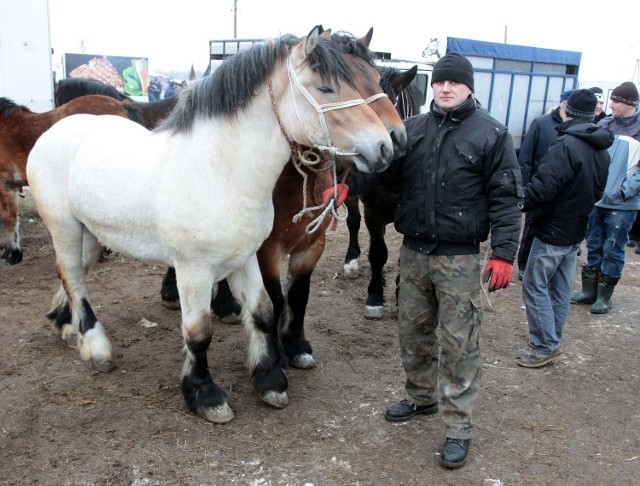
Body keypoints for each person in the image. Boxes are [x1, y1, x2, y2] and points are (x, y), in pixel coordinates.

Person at [338, 52, 522, 469]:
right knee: (413, 331)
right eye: (440, 82)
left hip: (458, 258)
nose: (445, 88)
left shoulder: (491, 134)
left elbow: (506, 200)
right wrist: (350, 185)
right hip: (415, 253)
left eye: (454, 82)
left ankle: (458, 427)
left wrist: (504, 254)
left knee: (460, 345)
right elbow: (383, 171)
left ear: (468, 86)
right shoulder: (413, 129)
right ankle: (420, 398)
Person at [516, 90, 612, 368]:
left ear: (566, 109)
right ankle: (551, 340)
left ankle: (545, 346)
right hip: (575, 230)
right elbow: (599, 189)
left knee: (534, 285)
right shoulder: (601, 146)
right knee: (559, 289)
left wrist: (518, 200)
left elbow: (543, 189)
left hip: (552, 231)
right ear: (593, 112)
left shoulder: (566, 144)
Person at [572, 81, 640, 313]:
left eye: (615, 101)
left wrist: (624, 191)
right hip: (598, 197)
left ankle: (604, 296)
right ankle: (589, 290)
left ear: (629, 104)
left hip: (623, 203)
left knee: (614, 246)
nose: (609, 104)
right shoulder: (605, 124)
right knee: (594, 243)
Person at [516, 89, 574, 279]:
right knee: (531, 227)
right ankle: (524, 265)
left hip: (561, 193)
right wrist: (524, 187)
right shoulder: (542, 123)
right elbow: (525, 156)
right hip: (536, 187)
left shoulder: (574, 129)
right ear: (563, 103)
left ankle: (541, 267)